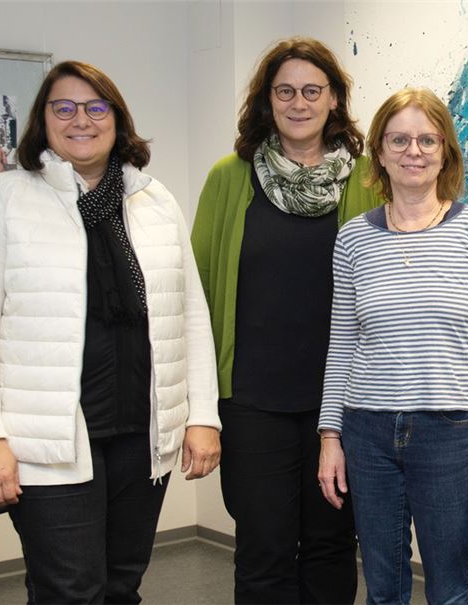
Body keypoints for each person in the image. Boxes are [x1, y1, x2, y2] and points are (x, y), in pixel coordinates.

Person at [0, 60, 221, 604]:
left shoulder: (154, 201)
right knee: (69, 590)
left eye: (95, 106)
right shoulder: (6, 199)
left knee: (121, 585)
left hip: (142, 432)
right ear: (44, 120)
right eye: (63, 107)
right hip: (49, 439)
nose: (79, 119)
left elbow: (190, 314)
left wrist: (202, 416)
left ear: (117, 118)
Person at [191, 37, 380, 604]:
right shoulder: (231, 176)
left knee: (331, 544)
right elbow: (200, 291)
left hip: (342, 403)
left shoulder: (369, 179)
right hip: (253, 404)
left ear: (334, 99)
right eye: (285, 91)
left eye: (312, 90)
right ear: (267, 100)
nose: (299, 103)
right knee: (263, 550)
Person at [317, 87, 468, 605]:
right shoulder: (354, 238)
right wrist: (330, 436)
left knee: (449, 589)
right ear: (380, 152)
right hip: (367, 430)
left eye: (427, 140)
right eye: (400, 139)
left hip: (447, 432)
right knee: (383, 587)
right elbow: (341, 344)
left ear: (446, 151)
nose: (414, 150)